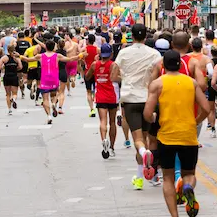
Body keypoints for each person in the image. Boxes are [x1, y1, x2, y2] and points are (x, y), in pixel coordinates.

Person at [144, 50, 210, 217]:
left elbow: (147, 113)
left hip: (166, 137)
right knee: (189, 174)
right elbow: (207, 108)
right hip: (188, 135)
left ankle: (175, 215)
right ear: (181, 65)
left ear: (163, 66)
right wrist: (196, 120)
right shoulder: (192, 83)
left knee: (167, 177)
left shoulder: (157, 84)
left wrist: (153, 118)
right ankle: (188, 186)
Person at [115, 23, 161, 189]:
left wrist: (127, 78)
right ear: (145, 37)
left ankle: (143, 157)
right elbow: (156, 77)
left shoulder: (123, 53)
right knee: (148, 137)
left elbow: (114, 75)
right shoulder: (155, 54)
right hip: (148, 98)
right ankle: (142, 176)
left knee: (139, 140)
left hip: (130, 99)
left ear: (132, 36)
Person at [21, 35, 79, 124]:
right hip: (54, 78)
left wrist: (19, 56)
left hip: (44, 79)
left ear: (46, 47)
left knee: (45, 99)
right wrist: (81, 55)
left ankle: (48, 116)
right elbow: (70, 59)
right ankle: (54, 104)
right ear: (53, 47)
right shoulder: (57, 56)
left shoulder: (40, 56)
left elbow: (27, 59)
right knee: (55, 94)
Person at [86, 43, 120, 159]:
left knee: (103, 121)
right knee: (112, 122)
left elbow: (87, 77)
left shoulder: (95, 64)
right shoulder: (113, 65)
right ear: (111, 54)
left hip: (100, 96)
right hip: (112, 96)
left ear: (100, 54)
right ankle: (112, 147)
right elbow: (118, 79)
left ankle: (104, 139)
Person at [0, 42, 22, 115]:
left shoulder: (4, 58)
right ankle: (14, 99)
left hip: (7, 76)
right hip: (14, 76)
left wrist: (4, 67)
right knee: (14, 93)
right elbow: (20, 67)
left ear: (7, 50)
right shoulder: (17, 58)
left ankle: (9, 110)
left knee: (8, 94)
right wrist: (15, 68)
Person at [83, 32, 99, 117]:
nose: (85, 40)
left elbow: (80, 58)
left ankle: (92, 109)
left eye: (86, 39)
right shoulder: (97, 49)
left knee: (88, 92)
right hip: (96, 71)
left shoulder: (84, 49)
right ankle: (95, 105)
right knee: (95, 90)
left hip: (87, 72)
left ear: (88, 40)